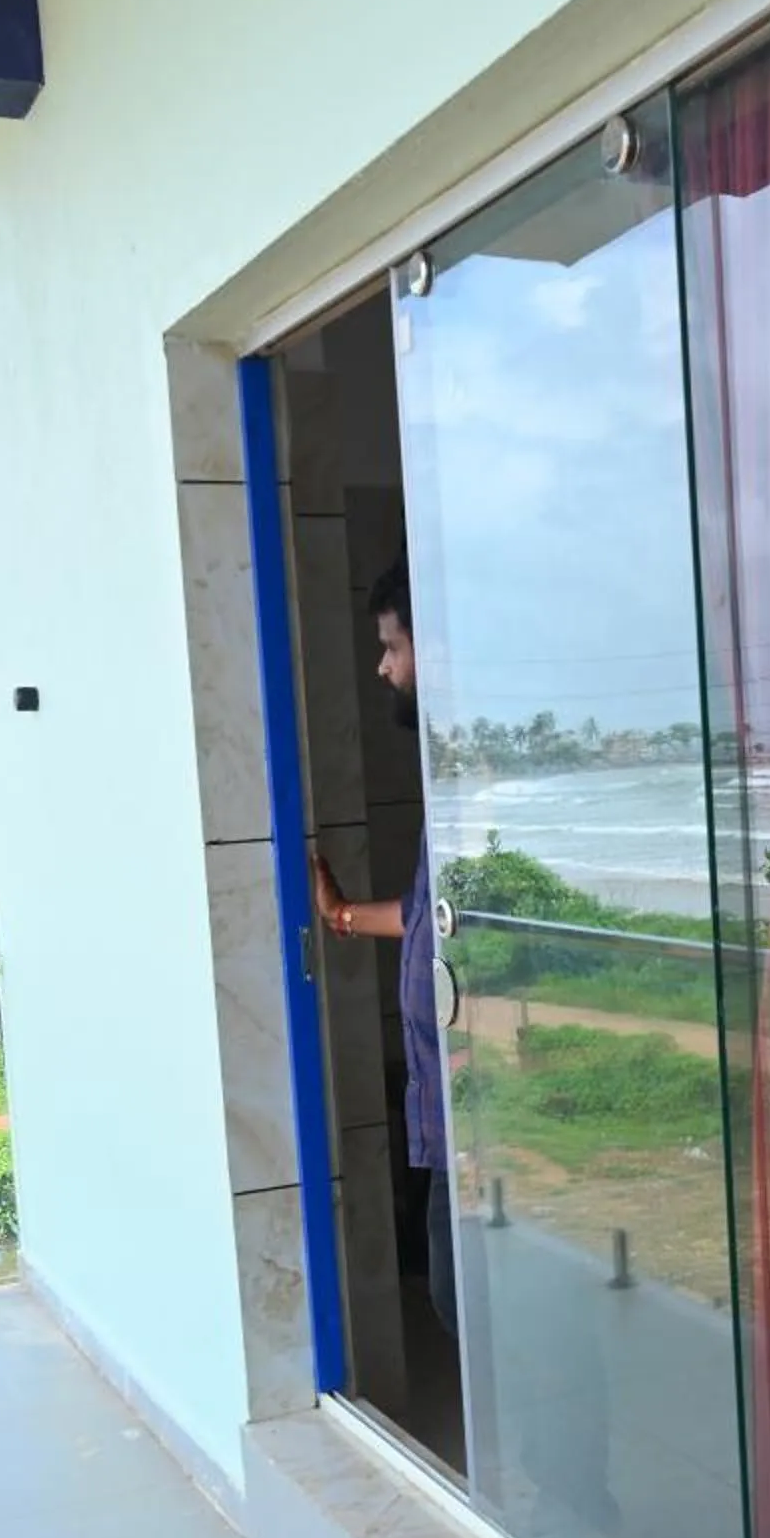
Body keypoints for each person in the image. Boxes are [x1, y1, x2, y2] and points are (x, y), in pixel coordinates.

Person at [310, 562, 455, 1340]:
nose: (383, 666)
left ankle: (553, 1462)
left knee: (468, 1299)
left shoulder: (475, 774)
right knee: (458, 1298)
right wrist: (339, 914)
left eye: (391, 645)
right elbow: (429, 916)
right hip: (444, 1103)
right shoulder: (450, 771)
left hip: (476, 1100)